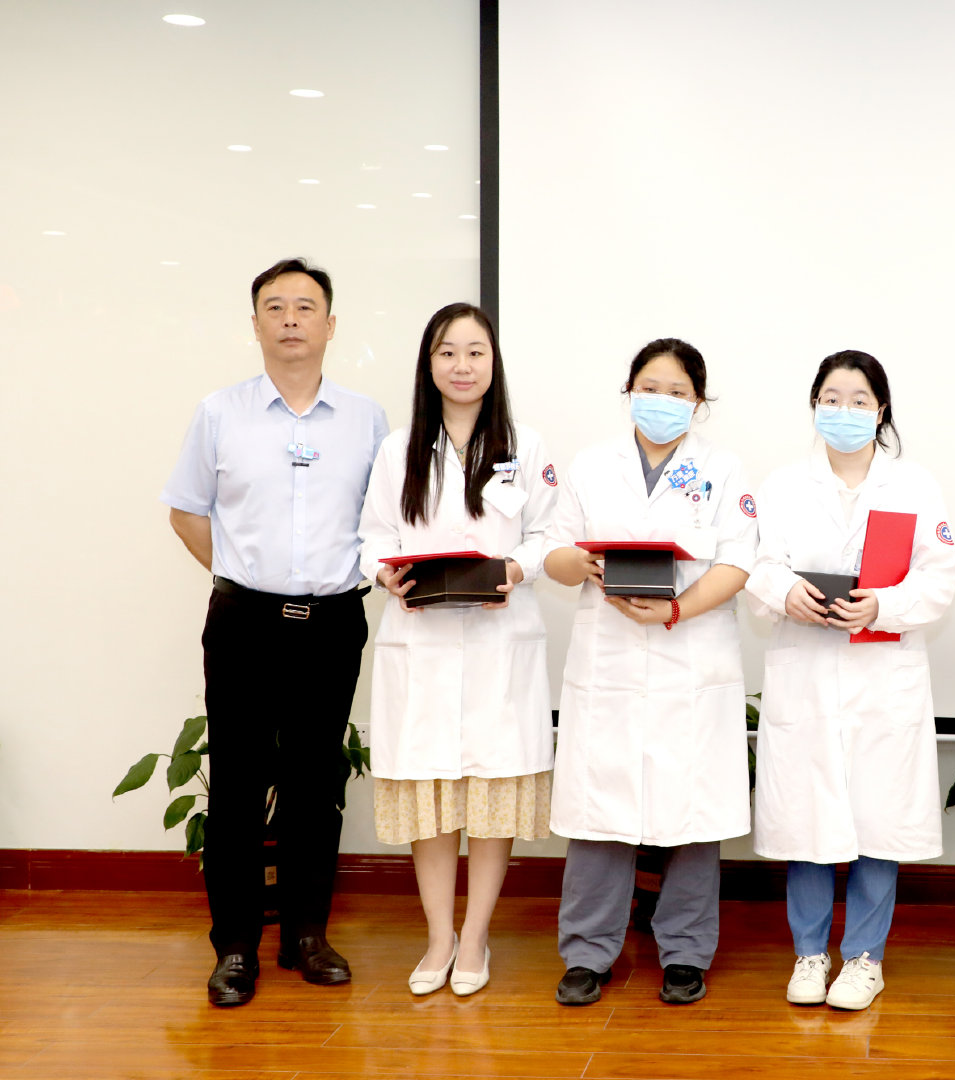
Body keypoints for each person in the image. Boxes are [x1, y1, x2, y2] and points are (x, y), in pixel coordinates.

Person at [161, 257, 388, 1007]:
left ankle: (306, 936)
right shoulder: (219, 413)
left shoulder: (366, 419)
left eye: (305, 306)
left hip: (332, 622)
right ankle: (234, 948)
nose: (291, 319)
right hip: (244, 622)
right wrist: (243, 578)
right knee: (236, 784)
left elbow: (383, 521)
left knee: (315, 783)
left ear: (331, 324)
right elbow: (187, 512)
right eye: (275, 307)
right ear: (255, 324)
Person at [541, 338, 757, 1006]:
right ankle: (587, 953)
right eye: (649, 388)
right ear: (628, 392)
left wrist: (675, 610)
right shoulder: (590, 465)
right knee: (599, 809)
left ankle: (686, 952)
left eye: (677, 392)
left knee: (691, 812)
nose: (662, 401)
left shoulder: (723, 469)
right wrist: (582, 564)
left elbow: (738, 562)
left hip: (690, 656)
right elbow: (553, 553)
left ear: (699, 401)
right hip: (607, 659)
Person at [746, 350, 955, 1011]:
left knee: (879, 819)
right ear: (814, 406)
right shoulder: (783, 485)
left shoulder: (914, 487)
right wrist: (785, 593)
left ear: (881, 410)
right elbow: (757, 564)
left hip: (882, 677)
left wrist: (883, 606)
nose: (845, 411)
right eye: (832, 399)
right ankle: (810, 953)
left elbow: (941, 576)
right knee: (807, 819)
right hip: (805, 671)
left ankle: (866, 957)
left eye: (859, 400)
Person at [358, 303, 557, 997]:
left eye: (476, 352)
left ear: (494, 362)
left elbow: (551, 535)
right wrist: (383, 572)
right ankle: (439, 937)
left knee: (492, 794)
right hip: (422, 641)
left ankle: (475, 938)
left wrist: (516, 569)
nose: (462, 366)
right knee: (432, 794)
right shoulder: (399, 448)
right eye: (448, 352)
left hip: (500, 639)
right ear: (429, 364)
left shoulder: (526, 446)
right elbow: (373, 535)